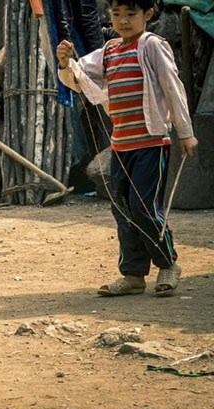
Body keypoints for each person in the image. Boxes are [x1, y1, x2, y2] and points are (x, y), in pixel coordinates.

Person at [56, 0, 198, 297]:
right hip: (121, 145)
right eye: (116, 14)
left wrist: (185, 132)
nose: (123, 21)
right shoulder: (109, 51)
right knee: (122, 208)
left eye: (130, 14)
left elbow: (173, 86)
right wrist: (64, 62)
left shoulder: (152, 46)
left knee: (143, 207)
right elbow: (79, 77)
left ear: (147, 14)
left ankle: (168, 262)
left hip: (151, 142)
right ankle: (133, 275)